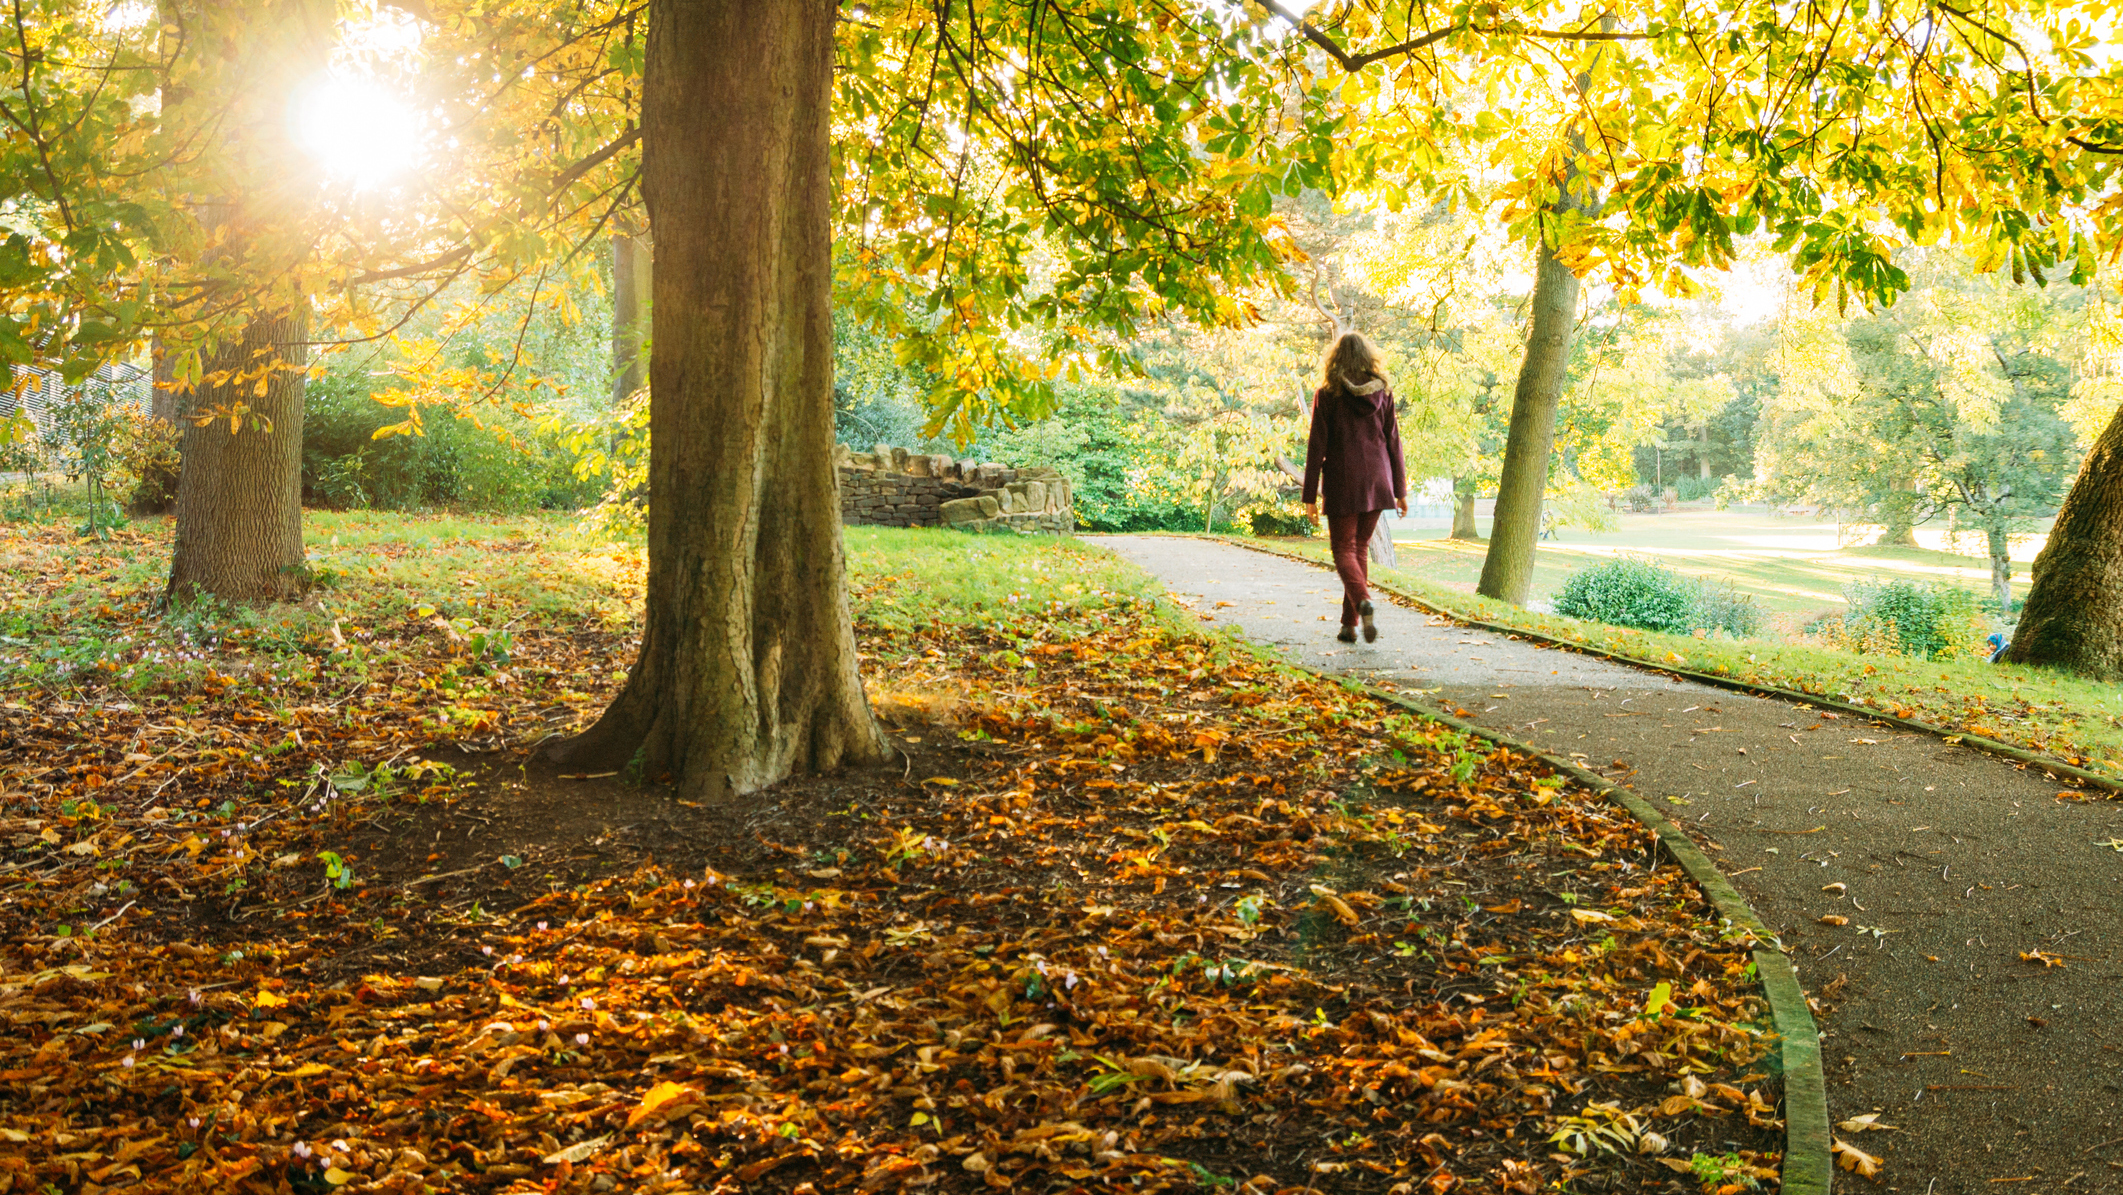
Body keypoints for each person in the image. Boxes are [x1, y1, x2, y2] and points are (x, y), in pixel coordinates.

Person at [1302, 332, 1408, 644]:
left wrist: (1309, 496)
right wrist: (1400, 490)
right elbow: (1394, 443)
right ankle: (1349, 627)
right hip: (1378, 481)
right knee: (1358, 548)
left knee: (1343, 549)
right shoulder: (1383, 392)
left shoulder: (1328, 393)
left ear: (1335, 359)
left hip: (1343, 480)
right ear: (1367, 357)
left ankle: (1363, 601)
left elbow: (1316, 447)